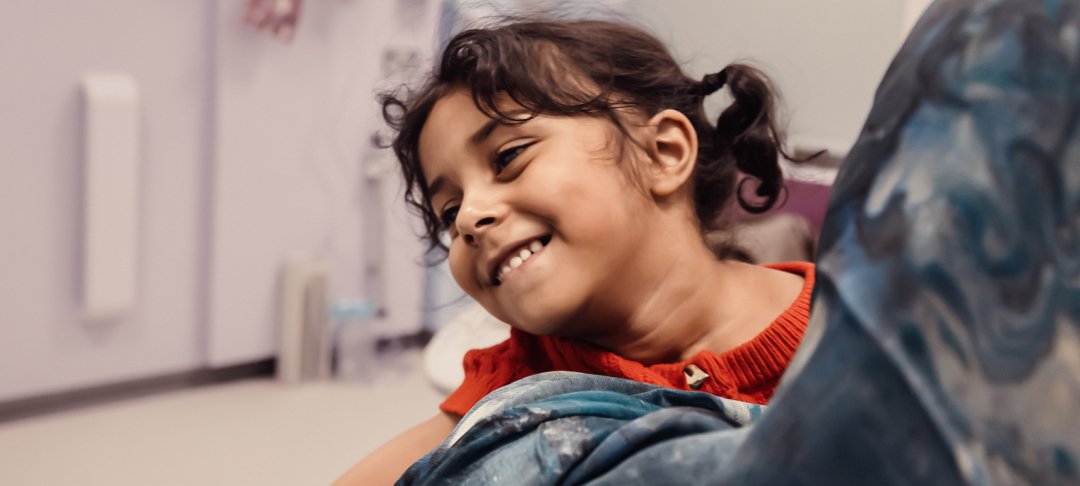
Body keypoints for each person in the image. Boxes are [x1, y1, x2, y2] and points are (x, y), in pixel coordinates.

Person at [335, 18, 815, 485]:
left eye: (508, 158)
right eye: (449, 210)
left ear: (662, 153)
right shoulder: (518, 384)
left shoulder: (854, 324)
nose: (466, 219)